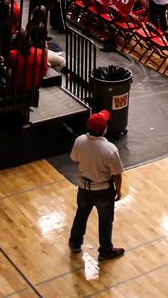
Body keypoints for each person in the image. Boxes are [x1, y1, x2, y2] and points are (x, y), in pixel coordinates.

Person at [67, 110, 125, 260]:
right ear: (104, 129)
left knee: (81, 214)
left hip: (84, 188)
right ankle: (105, 250)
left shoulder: (79, 140)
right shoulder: (110, 149)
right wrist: (118, 190)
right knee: (105, 221)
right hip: (103, 190)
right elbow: (117, 174)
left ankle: (75, 242)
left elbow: (75, 159)